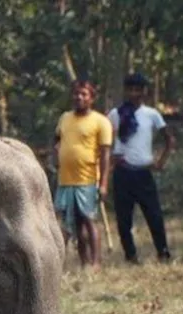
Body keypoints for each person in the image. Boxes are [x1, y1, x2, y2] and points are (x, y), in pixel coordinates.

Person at [107, 73, 173, 264]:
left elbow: (169, 138)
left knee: (154, 214)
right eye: (130, 89)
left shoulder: (151, 114)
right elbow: (105, 139)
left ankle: (163, 252)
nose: (134, 93)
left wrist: (160, 162)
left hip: (144, 171)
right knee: (123, 218)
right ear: (125, 91)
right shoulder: (115, 114)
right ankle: (131, 256)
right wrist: (111, 159)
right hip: (123, 171)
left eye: (138, 89)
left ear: (144, 92)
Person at [53, 80, 112, 271]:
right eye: (76, 94)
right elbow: (57, 140)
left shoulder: (100, 121)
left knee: (88, 220)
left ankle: (96, 263)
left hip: (87, 178)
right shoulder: (65, 118)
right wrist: (56, 155)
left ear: (92, 98)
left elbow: (105, 155)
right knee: (72, 223)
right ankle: (83, 261)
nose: (79, 97)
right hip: (65, 178)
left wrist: (103, 183)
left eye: (84, 94)